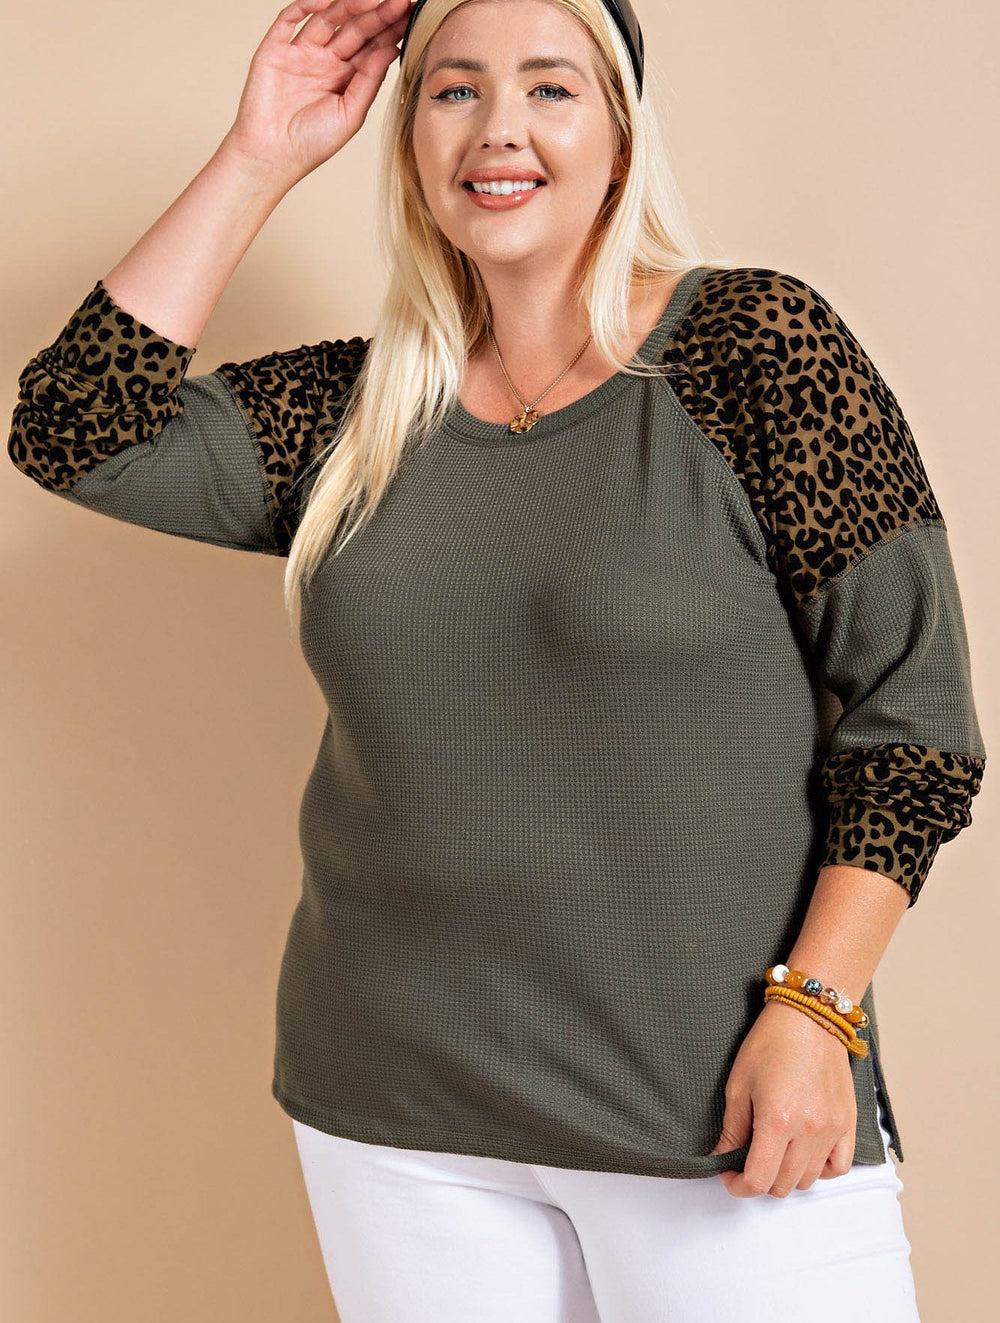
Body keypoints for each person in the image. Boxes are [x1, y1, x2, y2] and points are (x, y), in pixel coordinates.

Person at [7, 1, 987, 1319]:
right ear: (409, 135)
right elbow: (73, 430)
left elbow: (914, 728)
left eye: (551, 89)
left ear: (622, 131)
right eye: (454, 91)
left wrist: (819, 1013)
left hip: (710, 1096)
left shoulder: (755, 348)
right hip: (395, 1111)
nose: (499, 130)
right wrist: (259, 153)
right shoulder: (358, 411)